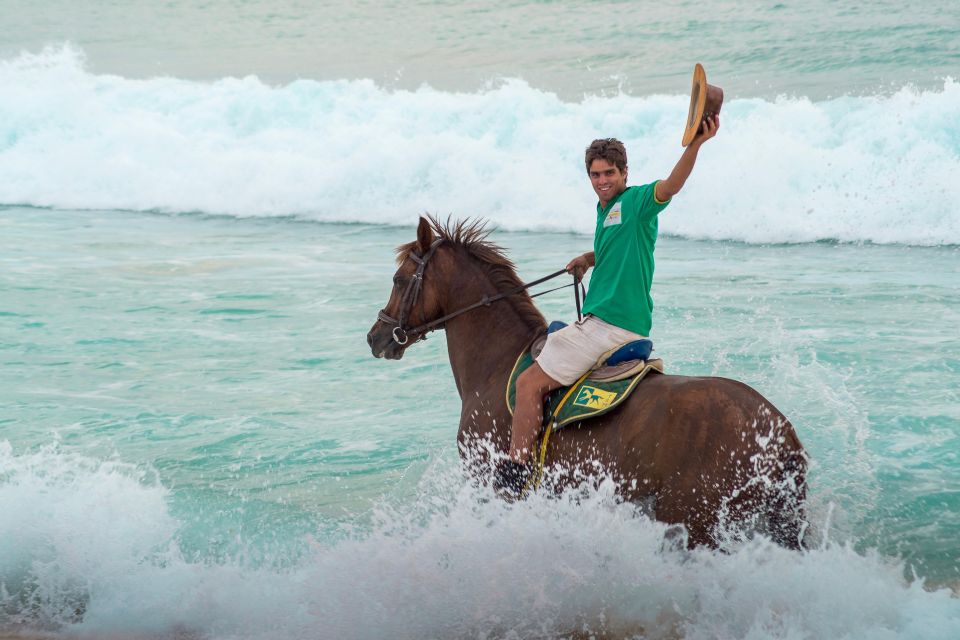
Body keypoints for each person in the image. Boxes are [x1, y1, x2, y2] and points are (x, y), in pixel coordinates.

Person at [495, 115, 720, 497]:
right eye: (596, 175)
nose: (602, 181)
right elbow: (615, 247)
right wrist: (588, 257)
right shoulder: (606, 210)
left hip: (610, 326)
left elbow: (672, 185)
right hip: (610, 321)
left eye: (610, 173)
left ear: (624, 172)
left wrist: (695, 145)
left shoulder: (636, 203)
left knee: (528, 383)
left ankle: (518, 470)